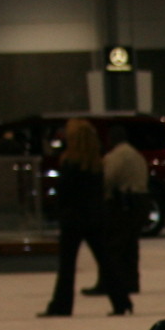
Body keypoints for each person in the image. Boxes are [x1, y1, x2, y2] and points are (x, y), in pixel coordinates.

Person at [40, 120, 127, 316]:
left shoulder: (70, 163)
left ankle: (61, 305)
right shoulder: (96, 164)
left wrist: (57, 212)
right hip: (94, 217)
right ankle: (121, 301)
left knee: (67, 265)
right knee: (105, 261)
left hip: (73, 219)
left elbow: (65, 194)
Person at [92, 124, 149, 301]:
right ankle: (131, 281)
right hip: (140, 201)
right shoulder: (137, 155)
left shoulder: (115, 156)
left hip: (122, 204)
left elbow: (108, 179)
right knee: (131, 245)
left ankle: (109, 283)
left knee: (113, 246)